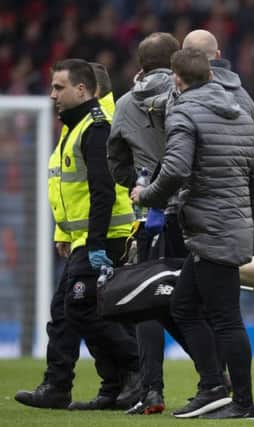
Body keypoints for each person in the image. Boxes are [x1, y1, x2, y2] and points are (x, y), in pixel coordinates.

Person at [131, 48, 254, 419]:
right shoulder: (239, 108)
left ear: (177, 79)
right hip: (229, 225)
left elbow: (174, 169)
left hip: (209, 226)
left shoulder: (184, 111)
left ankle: (242, 403)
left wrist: (147, 195)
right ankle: (212, 387)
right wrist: (249, 216)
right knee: (184, 306)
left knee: (225, 317)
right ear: (210, 74)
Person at [15, 59, 140, 410]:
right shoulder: (72, 127)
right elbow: (68, 189)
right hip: (83, 237)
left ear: (83, 90)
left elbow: (101, 189)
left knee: (81, 310)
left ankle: (135, 368)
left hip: (105, 235)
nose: (52, 94)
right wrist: (63, 231)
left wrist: (96, 242)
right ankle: (74, 386)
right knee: (67, 310)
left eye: (58, 87)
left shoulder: (96, 126)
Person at [107, 32, 189, 416]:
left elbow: (116, 162)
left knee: (147, 304)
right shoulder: (189, 95)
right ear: (176, 61)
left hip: (151, 218)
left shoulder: (124, 105)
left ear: (140, 64)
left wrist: (142, 184)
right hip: (194, 213)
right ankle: (217, 379)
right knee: (197, 300)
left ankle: (151, 390)